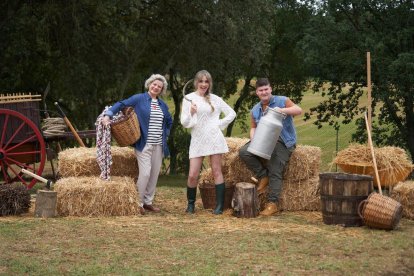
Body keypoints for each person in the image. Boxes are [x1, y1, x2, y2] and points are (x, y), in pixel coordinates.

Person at [102, 74, 173, 215]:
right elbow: (122, 104)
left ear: (162, 90)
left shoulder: (163, 105)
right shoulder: (139, 99)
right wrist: (108, 114)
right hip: (144, 143)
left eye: (159, 86)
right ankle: (138, 202)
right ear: (149, 84)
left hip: (159, 145)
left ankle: (148, 202)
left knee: (154, 174)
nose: (156, 87)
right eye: (154, 84)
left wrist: (166, 133)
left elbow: (169, 121)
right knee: (145, 173)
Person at [239, 78, 302, 216]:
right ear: (257, 93)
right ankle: (263, 175)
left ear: (270, 89)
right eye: (261, 90)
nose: (264, 92)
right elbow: (253, 128)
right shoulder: (255, 109)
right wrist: (254, 140)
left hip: (284, 141)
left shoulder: (282, 100)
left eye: (266, 89)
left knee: (275, 165)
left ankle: (272, 203)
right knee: (244, 151)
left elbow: (298, 110)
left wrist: (283, 110)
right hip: (264, 140)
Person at [180, 70, 236, 214]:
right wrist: (191, 113)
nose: (204, 84)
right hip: (198, 139)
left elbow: (232, 113)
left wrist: (218, 124)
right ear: (196, 82)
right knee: (193, 174)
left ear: (209, 83)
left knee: (217, 171)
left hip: (214, 138)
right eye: (201, 81)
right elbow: (184, 122)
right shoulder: (188, 98)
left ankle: (218, 206)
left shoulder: (215, 98)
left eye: (206, 81)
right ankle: (191, 205)